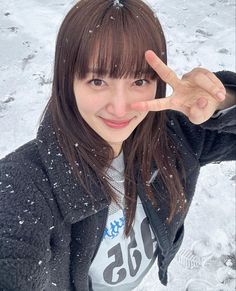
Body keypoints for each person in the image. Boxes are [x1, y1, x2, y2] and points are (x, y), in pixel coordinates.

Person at [0, 0, 235, 290]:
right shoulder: (25, 183)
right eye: (98, 81)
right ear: (67, 82)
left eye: (139, 80)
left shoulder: (172, 135)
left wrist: (222, 104)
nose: (121, 108)